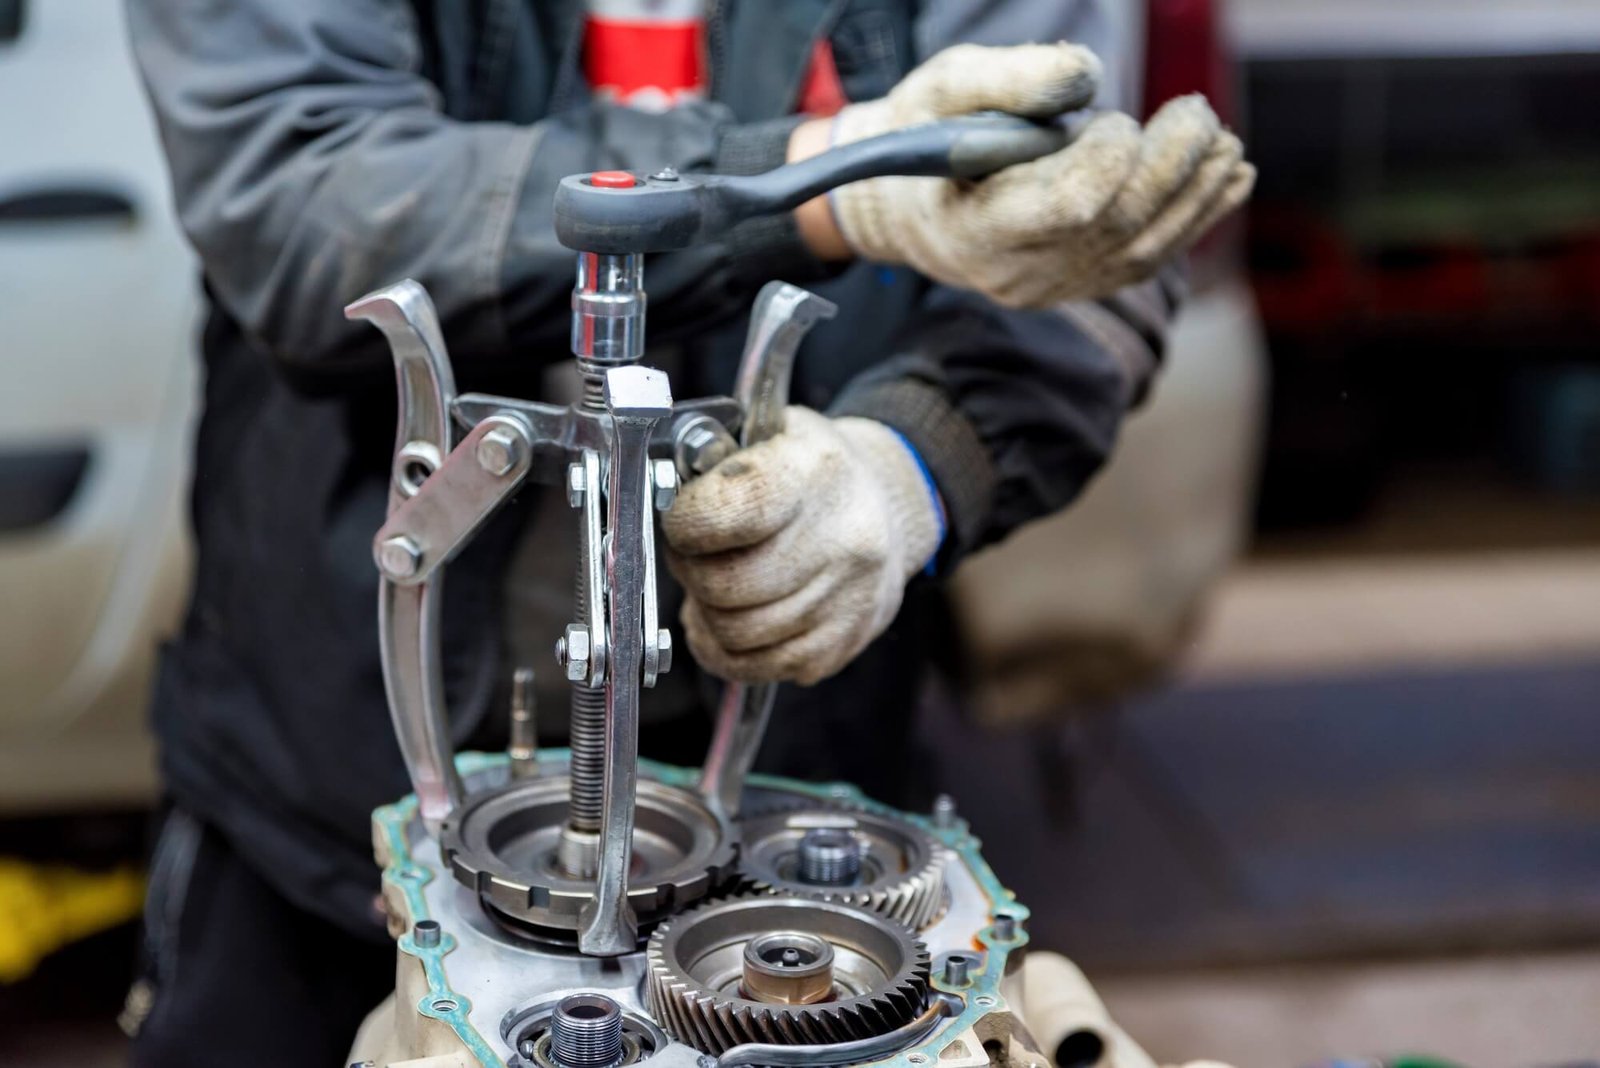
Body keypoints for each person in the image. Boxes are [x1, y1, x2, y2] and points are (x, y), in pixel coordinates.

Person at [124, 1, 1252, 1064]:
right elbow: (296, 186)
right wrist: (826, 187)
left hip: (799, 818)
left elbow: (1090, 238)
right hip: (308, 797)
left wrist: (905, 465)